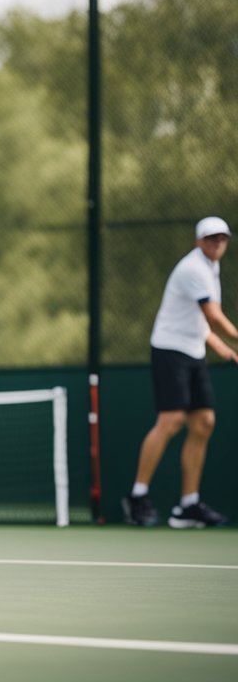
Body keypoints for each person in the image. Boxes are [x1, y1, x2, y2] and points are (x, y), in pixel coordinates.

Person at [121, 216, 236, 529]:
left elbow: (199, 320)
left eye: (222, 239)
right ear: (199, 242)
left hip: (194, 349)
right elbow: (212, 316)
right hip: (170, 348)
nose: (217, 244)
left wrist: (219, 347)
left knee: (203, 422)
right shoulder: (194, 269)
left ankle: (188, 505)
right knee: (171, 421)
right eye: (211, 239)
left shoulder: (212, 267)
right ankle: (137, 496)